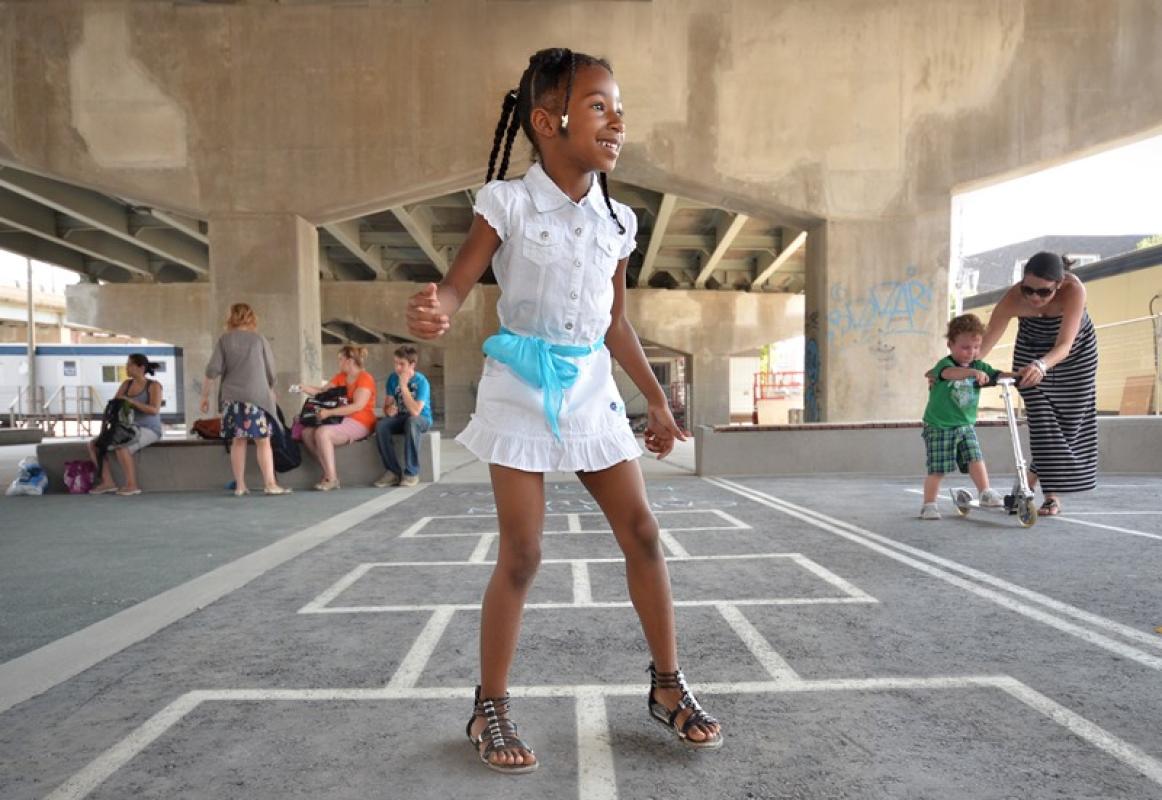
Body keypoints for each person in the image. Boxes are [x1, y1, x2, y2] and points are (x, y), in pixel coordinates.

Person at [406, 48, 722, 774]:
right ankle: (490, 706)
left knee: (643, 532)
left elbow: (615, 323)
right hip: (519, 386)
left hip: (590, 390)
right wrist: (438, 308)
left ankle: (667, 688)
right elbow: (457, 284)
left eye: (619, 108)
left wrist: (657, 401)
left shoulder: (619, 220)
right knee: (523, 554)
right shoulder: (507, 204)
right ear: (547, 122)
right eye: (600, 106)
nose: (617, 121)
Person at [979, 252, 1098, 516]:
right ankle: (1044, 494)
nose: (1034, 298)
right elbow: (985, 341)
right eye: (1028, 289)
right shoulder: (1013, 297)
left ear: (1059, 283)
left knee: (1066, 427)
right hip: (1031, 349)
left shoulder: (1074, 290)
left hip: (1073, 355)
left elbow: (1065, 345)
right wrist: (954, 369)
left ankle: (1026, 486)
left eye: (1044, 293)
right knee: (1043, 421)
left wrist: (1043, 365)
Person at [919, 314, 1015, 520]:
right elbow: (949, 374)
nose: (970, 352)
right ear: (950, 345)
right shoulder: (944, 365)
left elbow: (997, 375)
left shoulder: (979, 366)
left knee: (975, 457)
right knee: (938, 469)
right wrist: (971, 373)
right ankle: (929, 504)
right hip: (940, 425)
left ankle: (985, 492)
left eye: (976, 347)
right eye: (965, 347)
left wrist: (1019, 375)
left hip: (965, 425)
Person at [199, 303, 291, 497]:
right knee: (263, 441)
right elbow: (271, 371)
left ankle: (240, 486)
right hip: (256, 398)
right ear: (252, 318)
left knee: (238, 441)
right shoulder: (259, 340)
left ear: (231, 317)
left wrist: (205, 396)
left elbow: (212, 370)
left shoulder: (224, 340)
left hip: (232, 398)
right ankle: (270, 484)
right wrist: (271, 388)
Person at [298, 344, 376, 491]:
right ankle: (329, 473)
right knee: (306, 433)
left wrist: (329, 412)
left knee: (322, 433)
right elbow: (322, 392)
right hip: (341, 419)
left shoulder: (365, 378)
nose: (338, 363)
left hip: (361, 421)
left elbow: (357, 406)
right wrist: (304, 388)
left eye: (340, 359)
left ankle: (332, 478)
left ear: (350, 361)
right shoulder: (341, 377)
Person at [87, 353, 163, 496]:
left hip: (149, 429)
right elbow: (117, 403)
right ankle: (107, 482)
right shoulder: (126, 384)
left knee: (122, 446)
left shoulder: (153, 386)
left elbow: (154, 410)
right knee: (94, 444)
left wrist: (132, 402)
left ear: (141, 367)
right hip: (126, 427)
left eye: (129, 364)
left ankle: (132, 485)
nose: (126, 367)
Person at [373, 344, 433, 488]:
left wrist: (404, 386)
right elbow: (387, 406)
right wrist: (389, 410)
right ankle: (392, 472)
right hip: (400, 418)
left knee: (412, 422)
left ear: (412, 364)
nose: (397, 368)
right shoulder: (392, 379)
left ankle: (411, 473)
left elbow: (415, 412)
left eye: (402, 364)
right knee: (381, 425)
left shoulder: (421, 381)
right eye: (396, 363)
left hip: (421, 419)